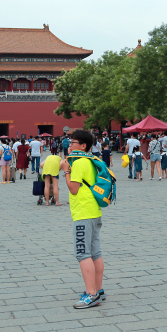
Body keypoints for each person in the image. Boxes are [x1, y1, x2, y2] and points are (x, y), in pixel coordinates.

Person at [60, 130, 106, 309]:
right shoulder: (91, 161)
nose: (69, 145)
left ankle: (91, 294)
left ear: (83, 146)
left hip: (83, 213)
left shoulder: (78, 163)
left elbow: (73, 189)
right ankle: (98, 290)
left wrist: (66, 171)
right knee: (95, 252)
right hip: (94, 210)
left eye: (73, 142)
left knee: (82, 252)